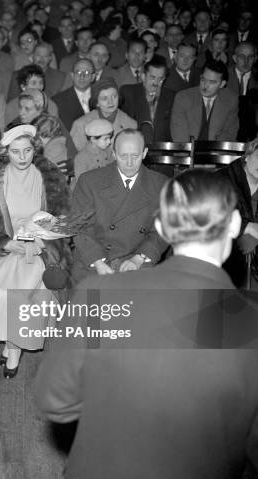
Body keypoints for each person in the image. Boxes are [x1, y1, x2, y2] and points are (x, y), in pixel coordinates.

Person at [35, 169, 258, 478]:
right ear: (234, 225)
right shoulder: (250, 322)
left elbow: (54, 399)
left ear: (161, 226)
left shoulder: (99, 295)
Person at [0, 124, 71, 377]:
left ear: (34, 149)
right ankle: (10, 342)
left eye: (27, 150)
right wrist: (6, 243)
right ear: (5, 152)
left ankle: (13, 349)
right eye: (16, 152)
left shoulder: (49, 177)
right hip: (2, 250)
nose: (23, 157)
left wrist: (43, 239)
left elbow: (64, 220)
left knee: (25, 296)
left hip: (41, 250)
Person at [70, 128, 168, 283]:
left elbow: (163, 230)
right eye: (123, 156)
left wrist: (138, 259)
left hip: (137, 257)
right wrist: (98, 262)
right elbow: (80, 227)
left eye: (135, 156)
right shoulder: (89, 181)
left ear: (144, 153)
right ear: (114, 154)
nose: (129, 163)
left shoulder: (161, 185)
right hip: (93, 258)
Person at [170, 60, 239, 142]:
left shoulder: (231, 100)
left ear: (222, 84)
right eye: (203, 79)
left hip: (216, 151)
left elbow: (229, 134)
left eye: (212, 82)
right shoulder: (183, 97)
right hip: (187, 151)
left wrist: (215, 153)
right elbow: (180, 137)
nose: (205, 86)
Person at [220, 138, 258, 287]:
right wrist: (248, 227)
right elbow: (215, 215)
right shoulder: (223, 179)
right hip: (227, 239)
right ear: (247, 157)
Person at [70, 78, 137, 151]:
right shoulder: (81, 125)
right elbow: (75, 155)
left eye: (114, 96)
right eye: (104, 98)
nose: (111, 102)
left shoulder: (130, 125)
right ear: (97, 103)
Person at [119, 56, 176, 143]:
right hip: (134, 146)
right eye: (152, 77)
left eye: (160, 79)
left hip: (162, 149)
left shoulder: (171, 96)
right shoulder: (128, 92)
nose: (156, 83)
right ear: (143, 76)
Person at [52, 58, 95, 131]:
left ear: (93, 77)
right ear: (72, 75)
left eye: (87, 72)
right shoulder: (57, 101)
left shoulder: (102, 96)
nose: (82, 76)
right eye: (78, 72)